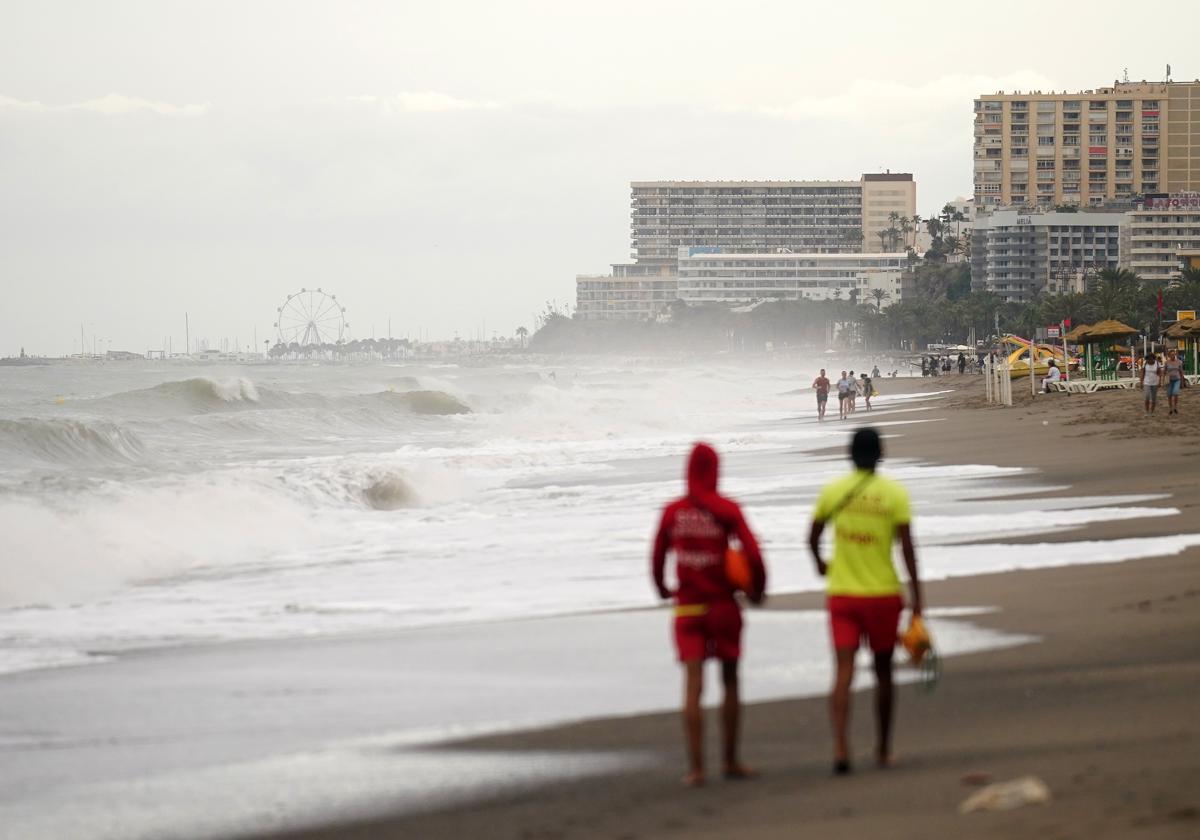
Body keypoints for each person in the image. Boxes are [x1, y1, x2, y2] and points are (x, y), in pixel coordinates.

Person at [808, 428, 923, 775]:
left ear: (849, 454)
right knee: (883, 672)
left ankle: (841, 748)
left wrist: (821, 565)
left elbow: (811, 537)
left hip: (842, 594)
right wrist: (918, 598)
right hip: (883, 596)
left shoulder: (833, 491)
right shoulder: (894, 494)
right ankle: (883, 749)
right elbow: (907, 548)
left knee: (843, 672)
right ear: (880, 454)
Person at [652, 443, 766, 787]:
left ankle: (697, 769)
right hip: (722, 607)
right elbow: (754, 553)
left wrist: (661, 588)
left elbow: (657, 555)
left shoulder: (673, 512)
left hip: (687, 608)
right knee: (730, 680)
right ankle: (730, 760)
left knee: (693, 685)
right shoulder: (727, 509)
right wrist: (758, 589)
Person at [1164, 349, 1185, 415]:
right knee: (1169, 395)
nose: (1173, 355)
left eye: (1174, 354)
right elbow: (1164, 372)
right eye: (1171, 354)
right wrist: (1163, 381)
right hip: (1169, 380)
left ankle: (1175, 407)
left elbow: (1181, 372)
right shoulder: (1166, 362)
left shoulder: (1179, 362)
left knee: (1175, 393)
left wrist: (1182, 382)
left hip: (1177, 379)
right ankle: (1170, 408)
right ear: (1169, 355)